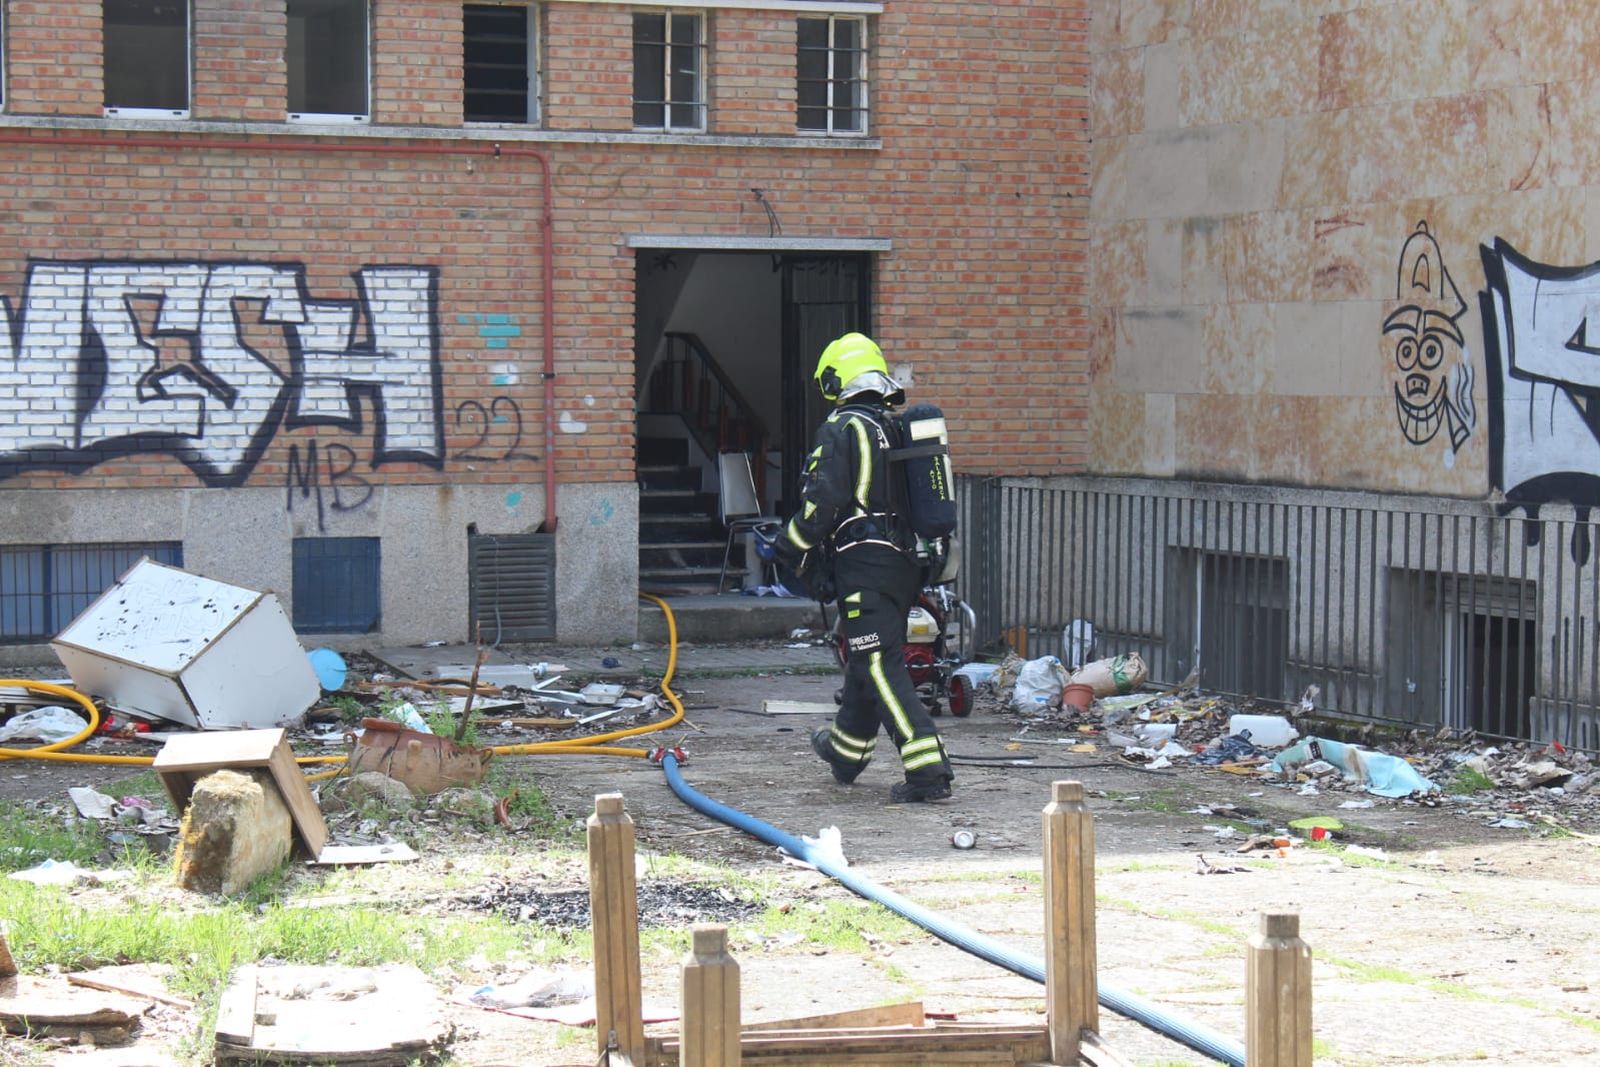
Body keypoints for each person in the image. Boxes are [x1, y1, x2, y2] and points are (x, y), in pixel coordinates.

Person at [763, 332, 955, 803]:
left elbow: (820, 502)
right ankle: (846, 752)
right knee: (867, 656)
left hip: (865, 565)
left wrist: (787, 546)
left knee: (876, 661)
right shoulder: (892, 427)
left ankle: (928, 770)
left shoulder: (843, 428)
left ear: (837, 380)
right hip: (904, 563)